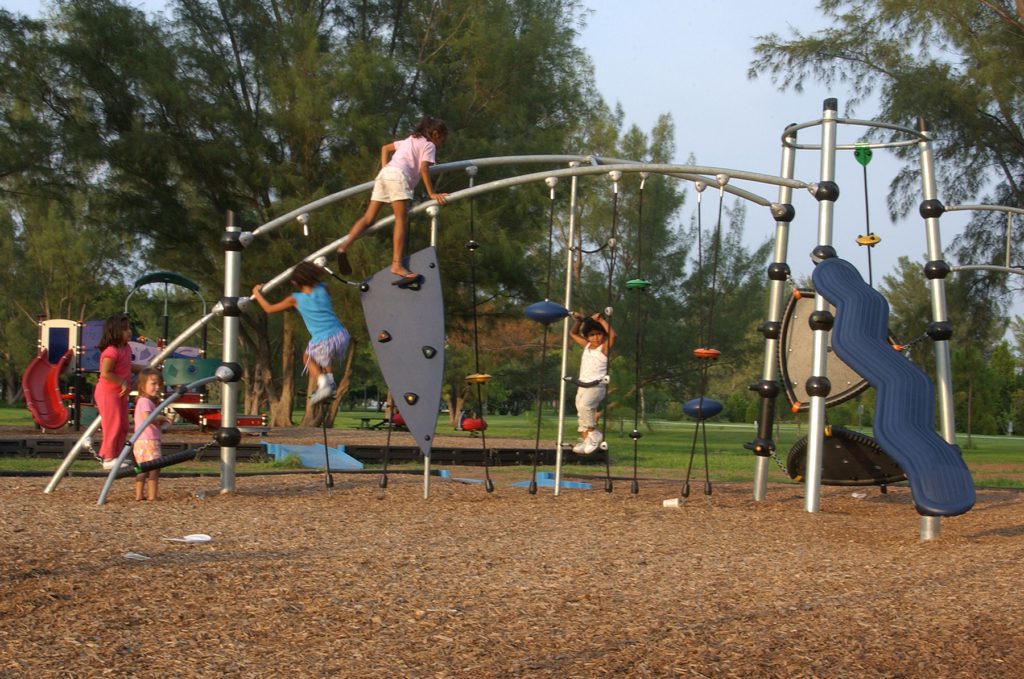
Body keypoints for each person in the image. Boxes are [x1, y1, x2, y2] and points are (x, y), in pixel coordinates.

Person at [336, 116, 449, 283]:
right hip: (397, 177)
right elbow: (424, 168)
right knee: (401, 219)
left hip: (385, 174)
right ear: (435, 134)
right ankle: (396, 264)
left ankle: (343, 247)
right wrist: (432, 193)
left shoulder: (410, 140)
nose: (441, 144)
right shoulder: (428, 145)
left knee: (368, 218)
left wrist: (385, 168)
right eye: (442, 140)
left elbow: (385, 148)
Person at [251, 261, 350, 405]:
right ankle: (330, 384)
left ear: (296, 282)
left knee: (308, 357)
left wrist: (256, 293)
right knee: (324, 357)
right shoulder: (324, 288)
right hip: (340, 334)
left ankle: (324, 384)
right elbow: (319, 288)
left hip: (323, 338)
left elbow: (269, 309)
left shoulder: (295, 299)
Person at [95, 314, 140, 470]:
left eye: (129, 329)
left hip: (120, 393)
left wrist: (145, 369)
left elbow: (128, 366)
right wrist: (122, 382)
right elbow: (105, 372)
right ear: (115, 331)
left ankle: (117, 454)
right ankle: (108, 456)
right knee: (112, 424)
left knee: (123, 424)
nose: (129, 332)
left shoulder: (126, 348)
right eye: (125, 329)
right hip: (108, 393)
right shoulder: (111, 351)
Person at [569, 311, 615, 454]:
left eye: (599, 334)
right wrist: (579, 321)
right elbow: (573, 334)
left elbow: (613, 335)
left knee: (585, 406)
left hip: (596, 386)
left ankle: (594, 433)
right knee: (581, 413)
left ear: (603, 334)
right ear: (587, 336)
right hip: (583, 385)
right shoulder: (587, 346)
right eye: (592, 335)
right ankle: (586, 442)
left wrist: (601, 320)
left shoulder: (603, 348)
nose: (595, 337)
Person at [132, 367, 171, 502]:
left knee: (142, 469)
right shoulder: (145, 402)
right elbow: (148, 418)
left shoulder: (142, 401)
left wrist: (162, 424)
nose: (157, 387)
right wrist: (162, 418)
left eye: (159, 384)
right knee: (154, 468)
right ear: (143, 386)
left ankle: (139, 495)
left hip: (140, 440)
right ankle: (152, 496)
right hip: (149, 441)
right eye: (153, 384)